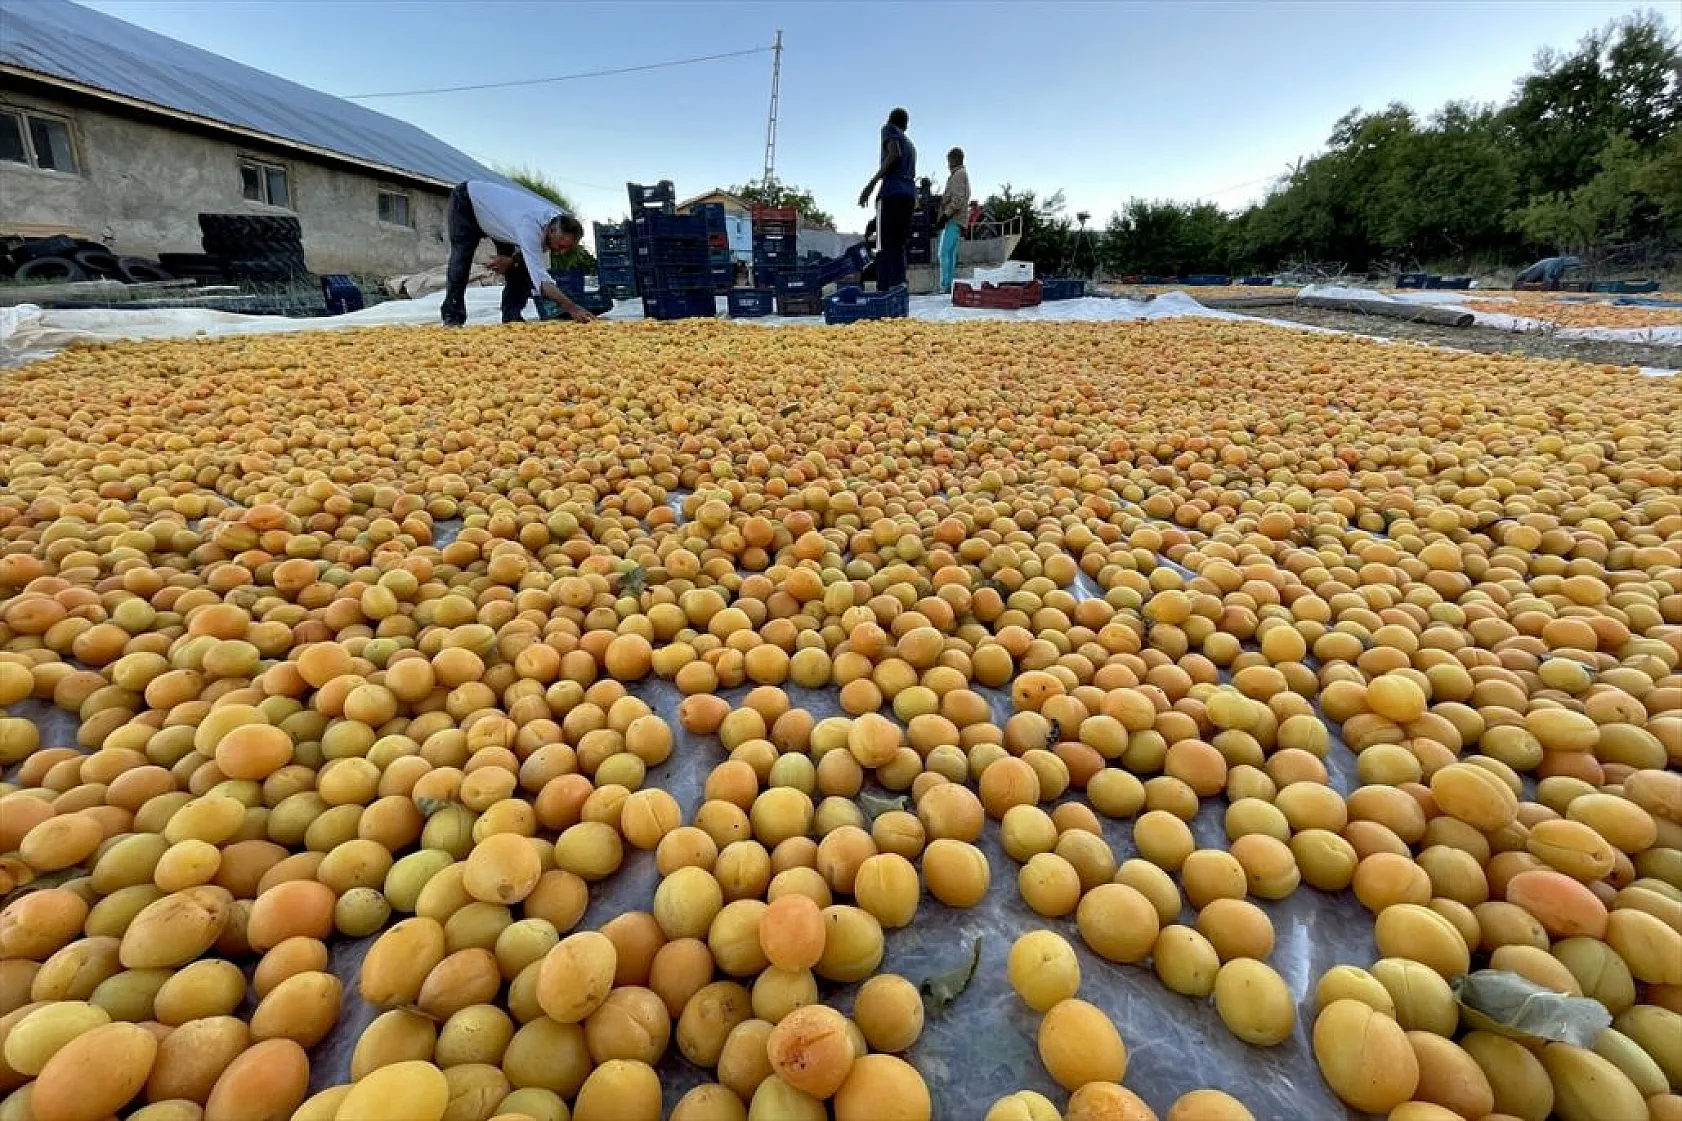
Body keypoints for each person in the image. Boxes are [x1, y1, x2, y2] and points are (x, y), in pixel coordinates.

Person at [441, 179, 593, 326]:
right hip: (468, 201)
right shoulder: (530, 227)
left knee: (520, 268)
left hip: (499, 220)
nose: (561, 252)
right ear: (551, 231)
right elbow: (541, 282)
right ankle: (452, 316)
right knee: (461, 260)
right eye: (561, 245)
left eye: (567, 248)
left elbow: (525, 258)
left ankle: (512, 317)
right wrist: (572, 307)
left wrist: (512, 261)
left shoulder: (553, 223)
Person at [858, 107, 916, 292]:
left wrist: (871, 184)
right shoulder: (911, 145)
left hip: (891, 194)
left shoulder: (889, 129)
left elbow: (894, 153)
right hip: (908, 196)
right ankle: (899, 289)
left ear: (891, 120)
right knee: (898, 246)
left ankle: (883, 292)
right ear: (906, 125)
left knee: (883, 246)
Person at [936, 148, 971, 294]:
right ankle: (948, 287)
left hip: (953, 219)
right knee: (949, 254)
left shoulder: (958, 175)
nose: (948, 164)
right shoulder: (960, 174)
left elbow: (957, 199)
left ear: (954, 159)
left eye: (949, 160)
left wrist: (945, 215)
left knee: (944, 253)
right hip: (956, 220)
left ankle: (945, 286)